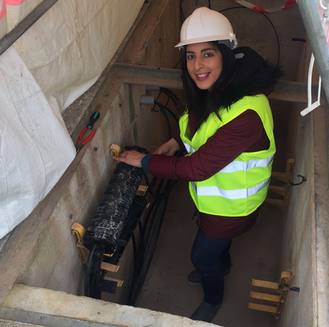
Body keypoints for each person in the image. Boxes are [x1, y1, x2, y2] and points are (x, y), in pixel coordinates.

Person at [115, 6, 281, 323]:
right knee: (215, 250)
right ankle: (222, 261)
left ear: (226, 54)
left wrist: (145, 161)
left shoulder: (246, 115)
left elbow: (195, 169)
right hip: (216, 202)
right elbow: (198, 122)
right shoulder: (219, 88)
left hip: (232, 209)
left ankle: (213, 298)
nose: (197, 66)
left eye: (207, 54)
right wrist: (176, 141)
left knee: (201, 255)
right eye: (190, 56)